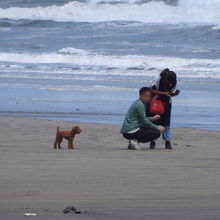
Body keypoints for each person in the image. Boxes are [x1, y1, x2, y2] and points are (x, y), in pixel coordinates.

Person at [149, 68, 180, 149]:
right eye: (168, 81)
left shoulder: (174, 81)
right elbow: (151, 90)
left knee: (166, 122)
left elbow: (172, 91)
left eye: (171, 82)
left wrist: (174, 93)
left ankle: (167, 141)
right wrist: (163, 93)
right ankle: (153, 141)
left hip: (167, 102)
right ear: (165, 78)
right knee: (156, 121)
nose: (170, 83)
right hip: (157, 101)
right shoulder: (158, 79)